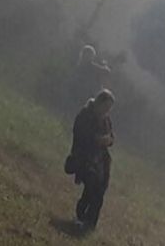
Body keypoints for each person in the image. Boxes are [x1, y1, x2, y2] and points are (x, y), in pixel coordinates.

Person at [67, 89, 115, 231]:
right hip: (85, 157)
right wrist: (97, 140)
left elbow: (112, 136)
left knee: (99, 191)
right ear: (99, 102)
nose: (107, 111)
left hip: (101, 161)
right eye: (105, 107)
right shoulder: (85, 114)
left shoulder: (106, 119)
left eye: (109, 109)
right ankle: (81, 215)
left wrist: (109, 140)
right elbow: (80, 134)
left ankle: (90, 223)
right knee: (91, 187)